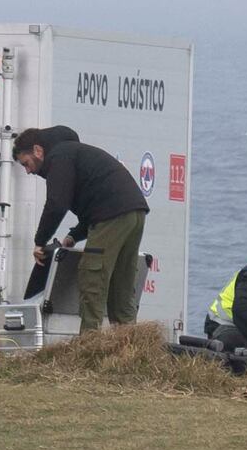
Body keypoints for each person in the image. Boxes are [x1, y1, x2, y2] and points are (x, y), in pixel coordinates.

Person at [15, 123, 152, 330]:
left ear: (37, 150)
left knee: (92, 276)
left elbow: (56, 204)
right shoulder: (72, 153)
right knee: (121, 280)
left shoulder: (58, 157)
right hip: (135, 213)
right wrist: (74, 236)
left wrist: (39, 241)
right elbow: (95, 200)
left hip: (112, 215)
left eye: (26, 163)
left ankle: (89, 341)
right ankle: (127, 338)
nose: (28, 171)